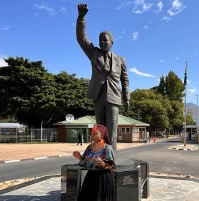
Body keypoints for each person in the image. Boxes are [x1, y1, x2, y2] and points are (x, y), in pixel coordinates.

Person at [76, 3, 130, 153]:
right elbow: (81, 38)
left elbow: (125, 80)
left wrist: (127, 97)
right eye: (100, 40)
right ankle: (100, 155)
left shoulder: (120, 60)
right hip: (98, 96)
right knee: (100, 130)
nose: (102, 42)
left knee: (111, 131)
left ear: (112, 42)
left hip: (113, 97)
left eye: (105, 40)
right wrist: (81, 18)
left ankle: (111, 157)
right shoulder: (94, 53)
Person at [73, 124, 116, 201]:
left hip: (103, 178)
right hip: (91, 177)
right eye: (92, 133)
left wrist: (104, 164)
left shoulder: (107, 148)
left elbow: (112, 166)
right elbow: (85, 162)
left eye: (95, 133)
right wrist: (79, 157)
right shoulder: (89, 147)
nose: (92, 136)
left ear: (102, 135)